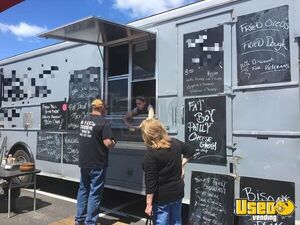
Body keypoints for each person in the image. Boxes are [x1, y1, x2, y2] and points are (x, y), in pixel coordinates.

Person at [140, 119, 195, 225]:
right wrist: (181, 164)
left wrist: (148, 204)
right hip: (177, 191)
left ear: (147, 135)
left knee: (162, 221)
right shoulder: (175, 142)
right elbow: (191, 151)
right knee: (176, 221)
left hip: (162, 196)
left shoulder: (151, 154)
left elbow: (150, 182)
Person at [75, 98, 116, 225]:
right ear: (101, 108)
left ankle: (79, 219)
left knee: (83, 190)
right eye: (104, 108)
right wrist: (114, 142)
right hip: (97, 163)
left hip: (84, 161)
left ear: (92, 107)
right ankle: (90, 222)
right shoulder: (104, 122)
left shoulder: (83, 120)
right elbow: (107, 143)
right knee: (94, 193)